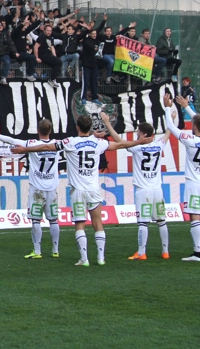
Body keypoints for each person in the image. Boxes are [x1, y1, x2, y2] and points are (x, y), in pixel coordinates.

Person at [12, 113, 149, 266]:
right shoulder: (98, 142)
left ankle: (84, 259)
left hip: (78, 191)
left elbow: (46, 146)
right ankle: (101, 258)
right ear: (90, 128)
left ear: (77, 127)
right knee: (98, 223)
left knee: (80, 224)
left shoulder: (70, 142)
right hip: (93, 190)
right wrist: (140, 141)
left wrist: (25, 149)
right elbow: (121, 145)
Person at [103, 95, 174, 261]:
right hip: (157, 190)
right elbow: (168, 134)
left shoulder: (137, 148)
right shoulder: (158, 145)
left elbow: (119, 141)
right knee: (161, 221)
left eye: (138, 132)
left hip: (143, 191)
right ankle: (165, 252)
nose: (137, 135)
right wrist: (170, 118)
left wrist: (107, 123)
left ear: (143, 134)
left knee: (143, 222)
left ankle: (142, 253)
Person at [0, 119, 62, 259]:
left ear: (38, 130)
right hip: (52, 188)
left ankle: (37, 251)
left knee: (36, 220)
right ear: (50, 131)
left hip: (37, 189)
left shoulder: (31, 144)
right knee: (53, 220)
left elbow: (11, 140)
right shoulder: (56, 145)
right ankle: (55, 250)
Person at [162, 94, 200, 261]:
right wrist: (197, 104)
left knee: (194, 216)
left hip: (194, 184)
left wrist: (167, 107)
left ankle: (197, 253)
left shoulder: (190, 140)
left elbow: (170, 125)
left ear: (194, 126)